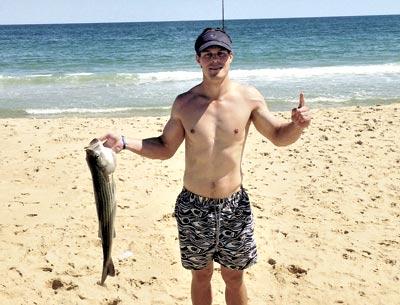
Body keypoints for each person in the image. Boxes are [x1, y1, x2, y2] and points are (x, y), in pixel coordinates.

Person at [100, 28, 311, 305]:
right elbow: (165, 147)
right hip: (193, 206)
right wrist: (125, 142)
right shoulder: (184, 103)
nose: (215, 60)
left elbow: (279, 136)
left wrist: (296, 125)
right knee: (200, 276)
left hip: (234, 205)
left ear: (231, 57)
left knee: (234, 277)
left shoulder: (248, 98)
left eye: (221, 53)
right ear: (197, 60)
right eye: (207, 54)